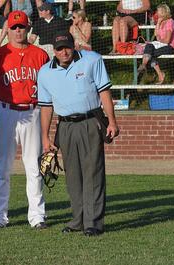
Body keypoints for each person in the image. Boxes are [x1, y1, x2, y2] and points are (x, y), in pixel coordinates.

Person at [37, 31, 119, 236]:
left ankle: (93, 223)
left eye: (67, 46)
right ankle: (78, 220)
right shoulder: (44, 72)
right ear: (53, 51)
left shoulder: (93, 60)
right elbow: (46, 107)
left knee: (93, 172)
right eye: (59, 48)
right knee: (72, 175)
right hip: (64, 126)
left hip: (90, 122)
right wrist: (44, 137)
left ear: (73, 45)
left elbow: (104, 92)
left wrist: (112, 121)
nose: (64, 51)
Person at [0, 10, 49, 230]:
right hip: (6, 111)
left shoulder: (40, 55)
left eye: (21, 26)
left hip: (32, 111)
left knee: (34, 167)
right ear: (8, 29)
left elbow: (47, 86)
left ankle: (37, 216)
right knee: (3, 167)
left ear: (27, 28)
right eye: (13, 27)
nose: (17, 31)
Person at [137, 4, 174, 85]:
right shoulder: (161, 22)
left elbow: (167, 40)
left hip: (170, 46)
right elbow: (156, 34)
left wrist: (159, 40)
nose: (157, 13)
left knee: (149, 53)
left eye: (158, 11)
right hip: (161, 44)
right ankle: (146, 66)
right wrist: (158, 23)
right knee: (149, 47)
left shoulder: (170, 22)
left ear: (163, 12)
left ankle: (150, 68)